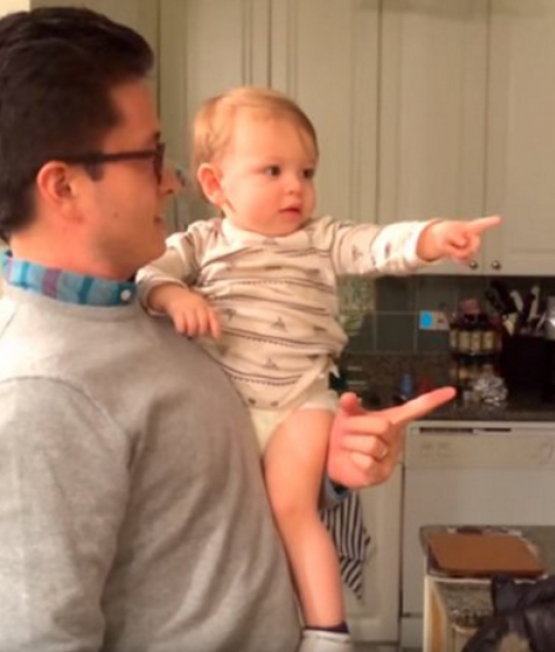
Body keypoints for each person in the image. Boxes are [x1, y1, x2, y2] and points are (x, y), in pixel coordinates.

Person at [0, 7, 456, 652]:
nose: (174, 179)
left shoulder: (147, 306)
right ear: (63, 185)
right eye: (150, 156)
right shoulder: (38, 392)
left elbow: (204, 501)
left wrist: (329, 460)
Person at [135, 85, 499, 649]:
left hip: (300, 405)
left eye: (306, 172)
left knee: (293, 508)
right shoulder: (201, 243)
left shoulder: (321, 239)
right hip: (225, 405)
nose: (295, 188)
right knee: (225, 520)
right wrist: (173, 297)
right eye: (273, 170)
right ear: (214, 185)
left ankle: (328, 632)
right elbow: (148, 275)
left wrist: (431, 237)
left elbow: (379, 245)